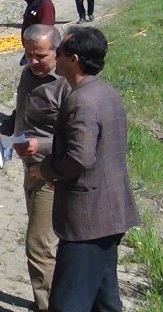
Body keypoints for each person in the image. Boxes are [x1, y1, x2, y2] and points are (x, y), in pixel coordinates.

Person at [32, 27, 140, 312]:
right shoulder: (105, 93)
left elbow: (80, 158)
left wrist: (47, 170)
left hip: (88, 219)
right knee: (104, 300)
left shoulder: (81, 100)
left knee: (68, 303)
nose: (55, 55)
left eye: (60, 51)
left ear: (74, 58)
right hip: (111, 213)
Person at [6, 24, 71, 312]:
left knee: (39, 245)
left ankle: (48, 306)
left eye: (40, 56)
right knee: (44, 242)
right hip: (31, 169)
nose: (33, 62)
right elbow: (21, 111)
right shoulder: (28, 75)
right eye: (28, 54)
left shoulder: (68, 85)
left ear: (58, 53)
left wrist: (40, 146)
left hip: (53, 174)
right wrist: (2, 131)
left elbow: (76, 138)